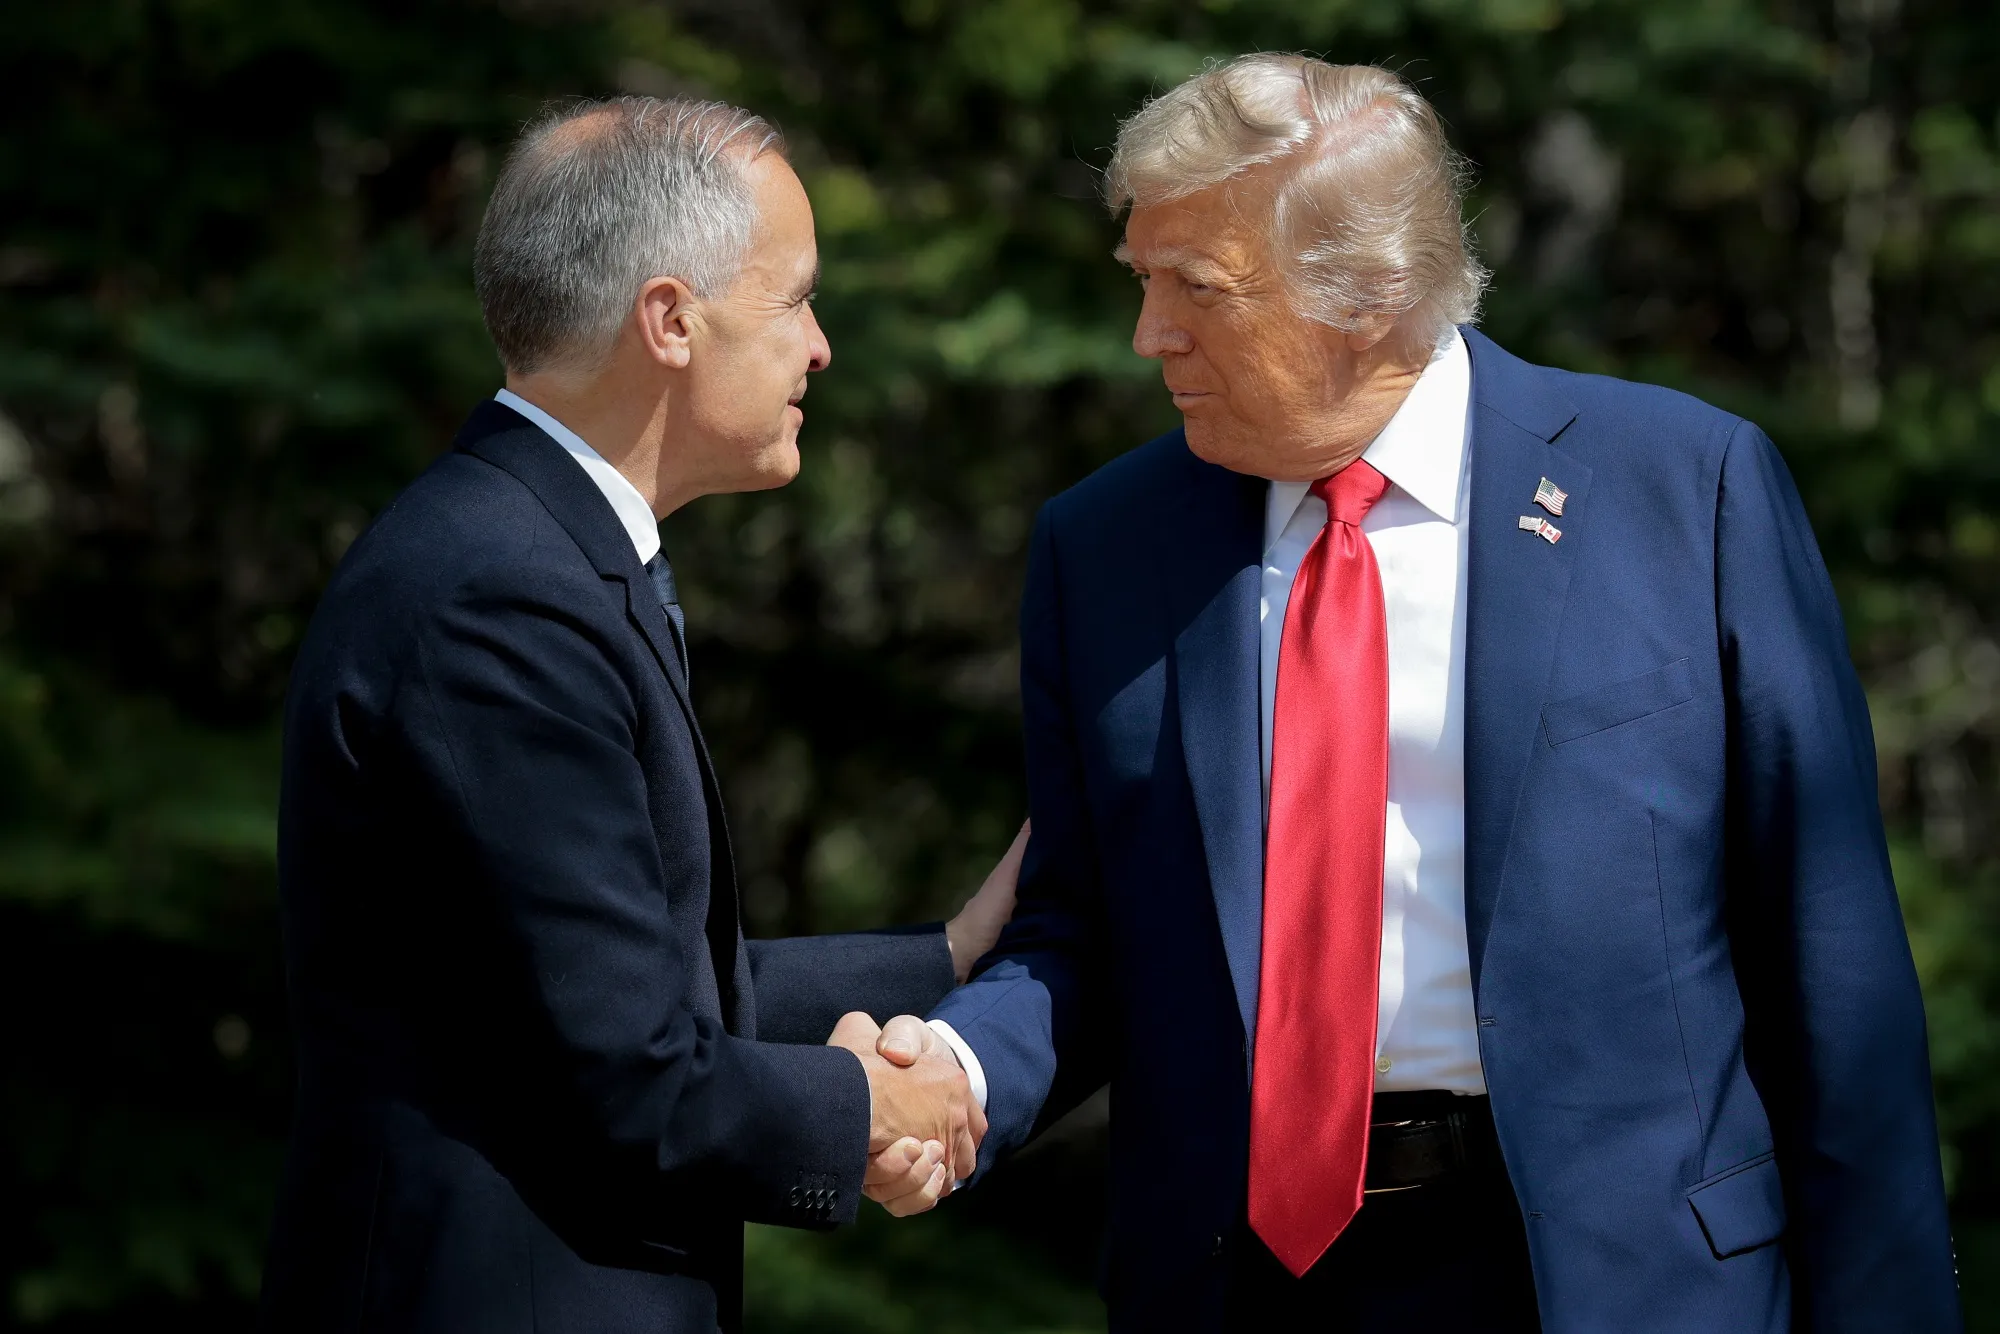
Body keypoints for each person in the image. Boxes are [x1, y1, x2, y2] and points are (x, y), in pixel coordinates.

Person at [883, 55, 1962, 1331]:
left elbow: (1830, 963)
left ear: (1372, 291)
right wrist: (952, 1071)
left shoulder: (1682, 489)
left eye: (1197, 289)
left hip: (1625, 1279)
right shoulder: (1105, 546)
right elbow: (1086, 930)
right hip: (1242, 1285)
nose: (1149, 334)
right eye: (1141, 281)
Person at [259, 96, 1012, 1334]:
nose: (820, 346)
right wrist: (873, 1109)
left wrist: (951, 955)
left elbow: (622, 983)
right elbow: (630, 1067)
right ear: (669, 319)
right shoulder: (497, 595)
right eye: (794, 301)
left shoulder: (531, 552)